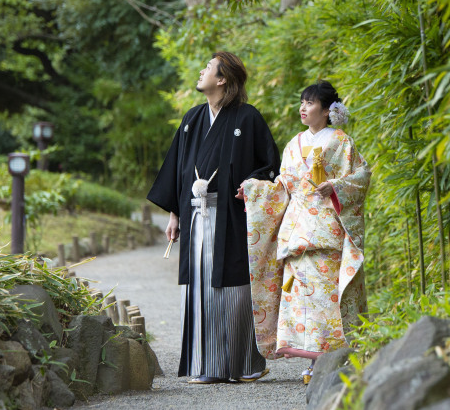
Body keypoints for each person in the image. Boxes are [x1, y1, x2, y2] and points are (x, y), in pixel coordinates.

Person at [147, 52, 280, 384]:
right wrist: (175, 214)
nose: (202, 71)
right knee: (199, 288)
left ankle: (242, 364)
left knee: (232, 288)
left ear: (222, 79)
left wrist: (250, 185)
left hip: (231, 216)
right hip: (195, 215)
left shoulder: (247, 118)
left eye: (208, 68)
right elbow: (178, 170)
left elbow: (270, 166)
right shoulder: (192, 119)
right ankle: (204, 365)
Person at [240, 80, 370, 384]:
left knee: (325, 293)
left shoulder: (341, 141)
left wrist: (335, 187)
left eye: (310, 103)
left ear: (327, 110)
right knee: (301, 297)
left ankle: (332, 357)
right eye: (302, 102)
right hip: (297, 227)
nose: (303, 107)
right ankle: (311, 360)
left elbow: (362, 176)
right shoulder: (293, 145)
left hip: (326, 225)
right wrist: (254, 191)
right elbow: (283, 186)